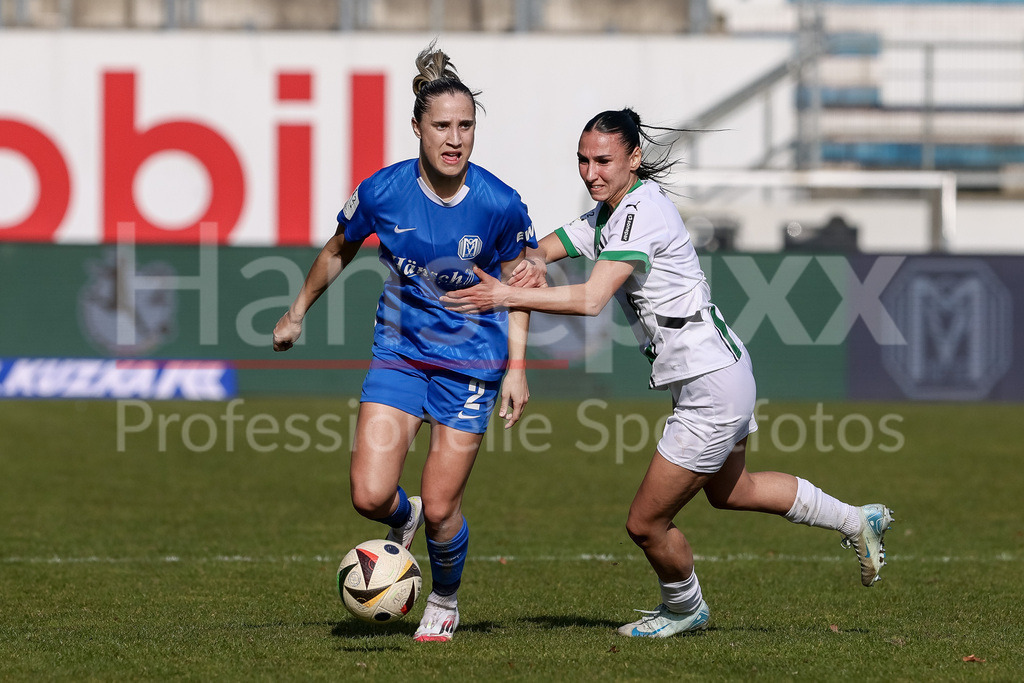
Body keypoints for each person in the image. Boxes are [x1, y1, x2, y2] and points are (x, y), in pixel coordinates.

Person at [441, 108, 894, 638]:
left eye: (604, 160)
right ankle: (855, 519)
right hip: (719, 372)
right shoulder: (612, 213)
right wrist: (535, 261)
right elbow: (549, 247)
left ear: (634, 158)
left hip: (711, 386)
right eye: (583, 161)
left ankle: (685, 608)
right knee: (734, 490)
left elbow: (591, 299)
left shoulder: (638, 212)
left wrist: (503, 293)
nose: (591, 172)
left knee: (646, 523)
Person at [272, 42, 538, 643]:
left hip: (471, 365)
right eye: (442, 125)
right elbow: (339, 247)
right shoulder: (383, 191)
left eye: (465, 126)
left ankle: (444, 599)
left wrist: (517, 367)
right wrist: (296, 311)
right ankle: (404, 515)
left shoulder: (499, 204)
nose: (455, 138)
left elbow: (518, 287)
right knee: (370, 495)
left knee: (445, 509)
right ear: (415, 127)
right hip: (400, 354)